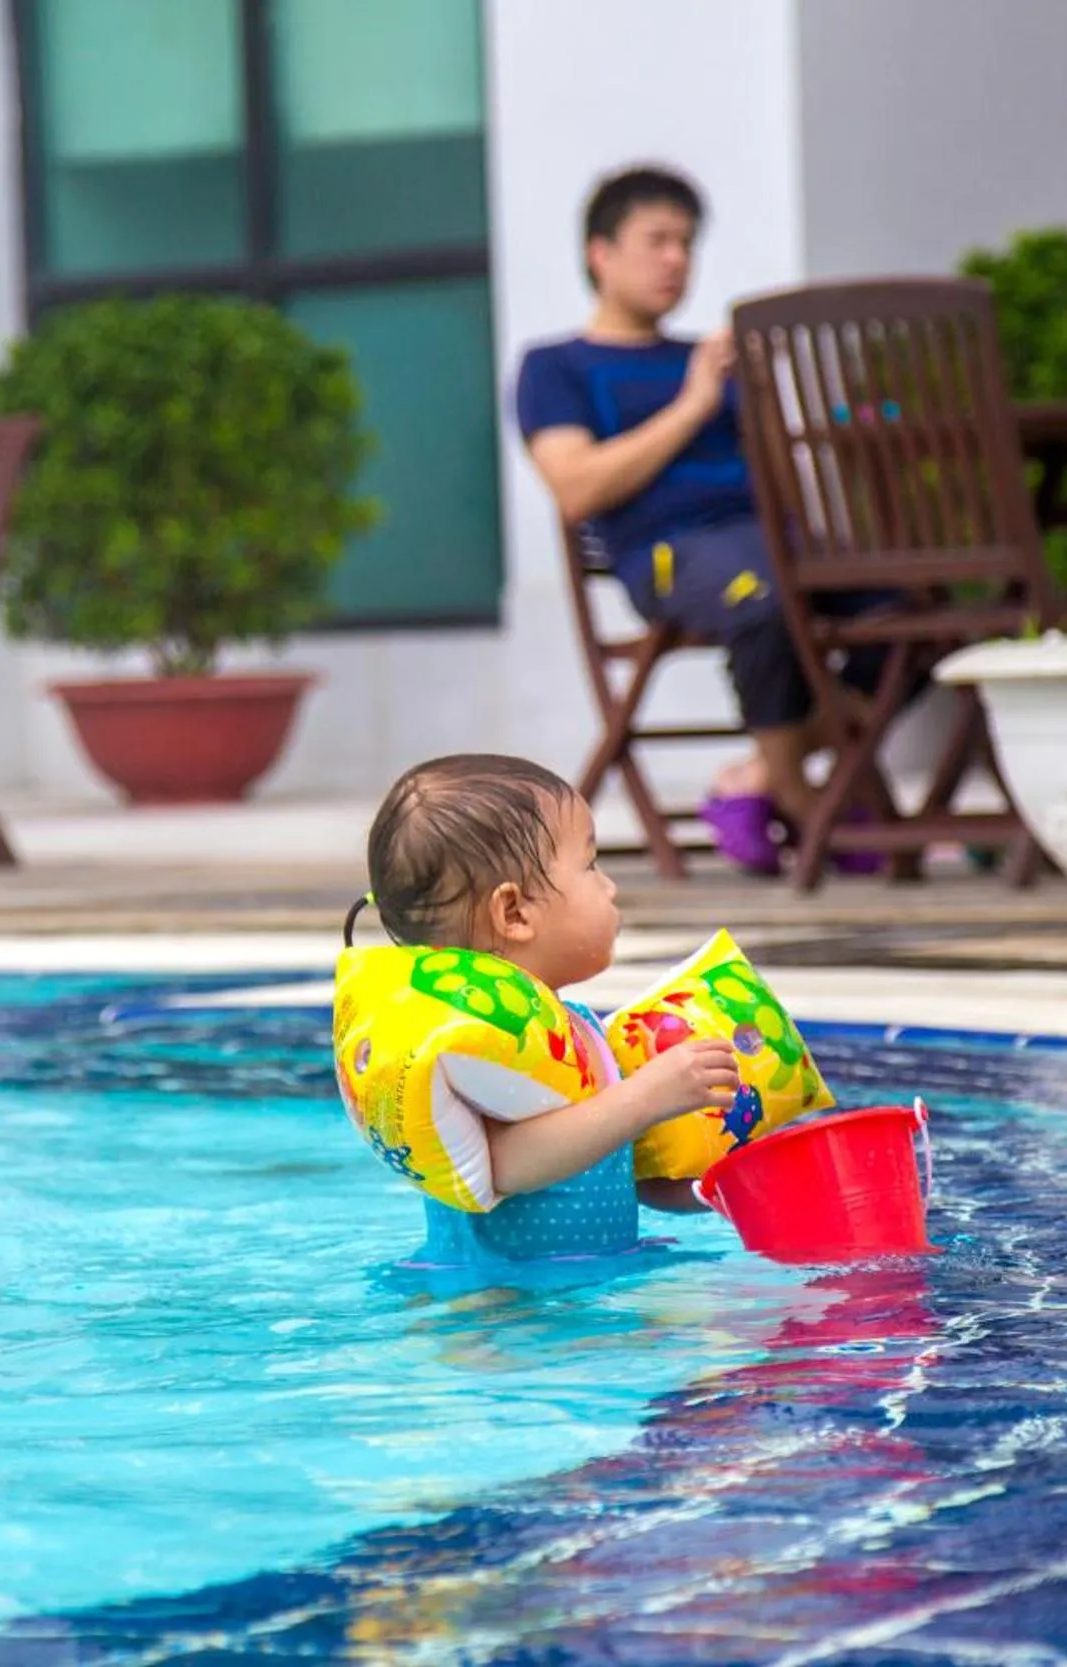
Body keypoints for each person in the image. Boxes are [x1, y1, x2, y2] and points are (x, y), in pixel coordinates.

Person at [513, 165, 885, 875]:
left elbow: (780, 474)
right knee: (763, 601)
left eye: (685, 243)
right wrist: (691, 405)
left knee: (916, 605)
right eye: (657, 241)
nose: (676, 259)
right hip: (670, 552)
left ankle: (757, 775)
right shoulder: (555, 366)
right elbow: (576, 489)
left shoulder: (713, 359)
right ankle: (800, 799)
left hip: (774, 539)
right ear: (601, 254)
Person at [357, 753, 739, 1261]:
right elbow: (506, 1166)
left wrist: (708, 1192)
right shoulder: (481, 1046)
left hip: (588, 1288)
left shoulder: (576, 1025)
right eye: (590, 865)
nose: (610, 885)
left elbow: (605, 1158)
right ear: (514, 912)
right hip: (496, 1313)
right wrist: (647, 1095)